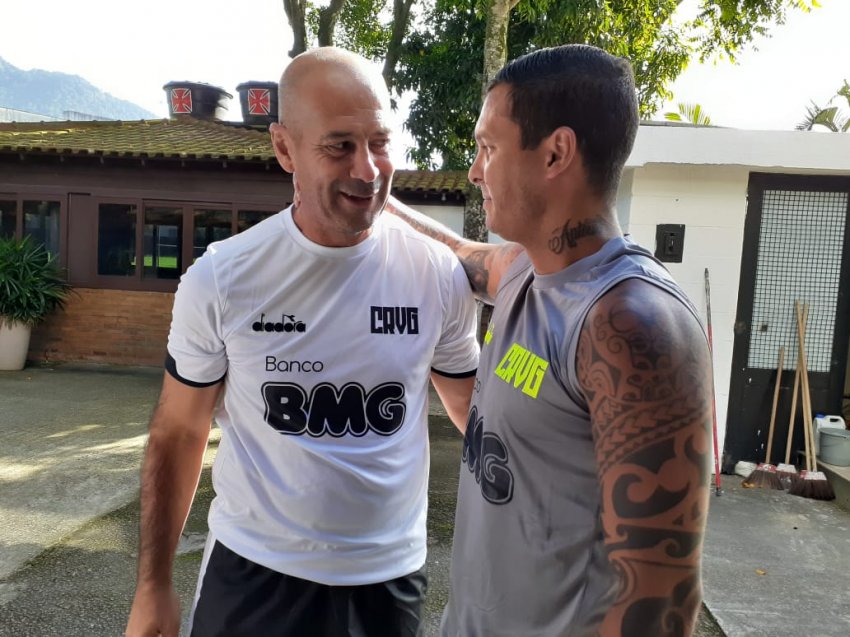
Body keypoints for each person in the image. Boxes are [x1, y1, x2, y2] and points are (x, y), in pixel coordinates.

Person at [125, 47, 480, 637]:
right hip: (254, 577)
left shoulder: (436, 275)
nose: (367, 170)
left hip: (387, 584)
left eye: (380, 142)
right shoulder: (223, 278)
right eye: (339, 146)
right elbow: (179, 432)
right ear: (285, 148)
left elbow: (475, 412)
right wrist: (153, 586)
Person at [386, 44, 713, 636]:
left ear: (556, 153)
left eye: (489, 148)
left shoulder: (631, 326)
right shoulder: (522, 272)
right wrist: (372, 193)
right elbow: (453, 250)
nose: (475, 171)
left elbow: (657, 602)